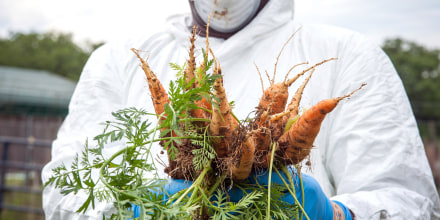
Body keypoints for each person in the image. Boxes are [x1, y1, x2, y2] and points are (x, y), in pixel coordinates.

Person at [42, 0, 440, 219]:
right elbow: (63, 191)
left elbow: (410, 202)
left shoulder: (349, 55)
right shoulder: (115, 60)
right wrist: (132, 214)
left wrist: (336, 215)